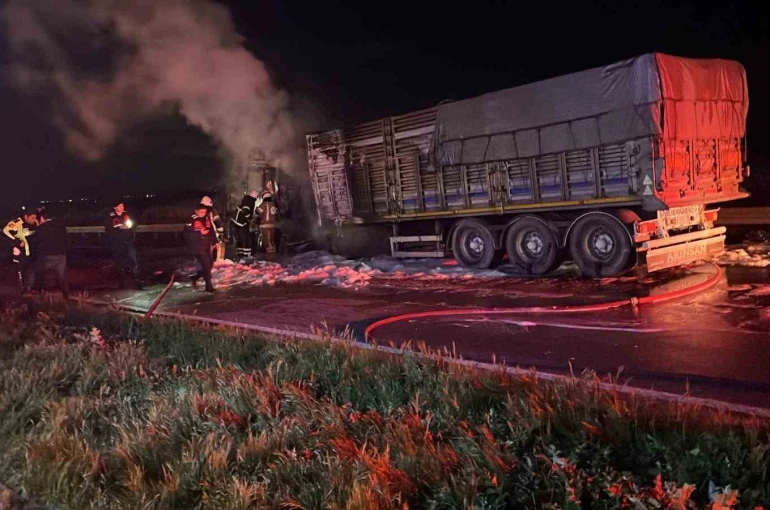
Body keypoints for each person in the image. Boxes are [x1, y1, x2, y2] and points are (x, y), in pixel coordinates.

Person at [27, 211, 69, 299]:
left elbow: (34, 243)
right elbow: (67, 240)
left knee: (33, 270)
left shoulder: (41, 228)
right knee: (61, 276)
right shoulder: (60, 227)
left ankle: (30, 290)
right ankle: (66, 295)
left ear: (42, 218)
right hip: (61, 256)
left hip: (47, 257)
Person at [104, 201, 142, 290]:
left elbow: (133, 224)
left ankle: (135, 277)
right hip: (117, 243)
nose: (122, 207)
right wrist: (120, 228)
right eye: (119, 206)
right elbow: (110, 229)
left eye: (122, 205)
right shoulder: (110, 216)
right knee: (120, 261)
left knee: (133, 259)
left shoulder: (127, 214)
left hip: (129, 242)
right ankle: (121, 279)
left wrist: (131, 226)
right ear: (115, 207)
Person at [3, 208, 39, 292]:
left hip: (30, 253)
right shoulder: (16, 223)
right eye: (32, 218)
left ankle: (29, 289)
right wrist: (17, 242)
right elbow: (5, 232)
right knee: (20, 272)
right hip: (20, 253)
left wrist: (38, 225)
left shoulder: (33, 225)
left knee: (29, 271)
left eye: (35, 218)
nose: (34, 220)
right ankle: (21, 290)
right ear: (26, 216)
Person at [184, 204, 216, 293]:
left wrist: (215, 241)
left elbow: (211, 231)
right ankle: (208, 286)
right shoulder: (191, 220)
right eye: (201, 212)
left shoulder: (206, 218)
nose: (203, 213)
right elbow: (187, 235)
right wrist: (199, 233)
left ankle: (195, 277)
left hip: (206, 246)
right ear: (196, 211)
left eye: (204, 212)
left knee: (210, 264)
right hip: (197, 247)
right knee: (206, 264)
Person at [230, 191, 257, 261]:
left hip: (236, 222)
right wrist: (248, 219)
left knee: (240, 239)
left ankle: (240, 254)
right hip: (241, 222)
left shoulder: (246, 200)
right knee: (246, 238)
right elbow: (246, 210)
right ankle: (247, 255)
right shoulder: (250, 201)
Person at [256, 185, 279, 255]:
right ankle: (273, 252)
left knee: (266, 240)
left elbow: (260, 212)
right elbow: (276, 213)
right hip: (272, 225)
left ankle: (269, 256)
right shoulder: (273, 204)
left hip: (264, 225)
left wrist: (256, 209)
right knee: (271, 239)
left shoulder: (263, 205)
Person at [200, 195, 224, 261]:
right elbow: (218, 223)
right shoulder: (213, 212)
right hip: (212, 235)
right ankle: (214, 261)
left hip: (201, 235)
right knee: (215, 248)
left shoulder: (198, 211)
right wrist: (221, 234)